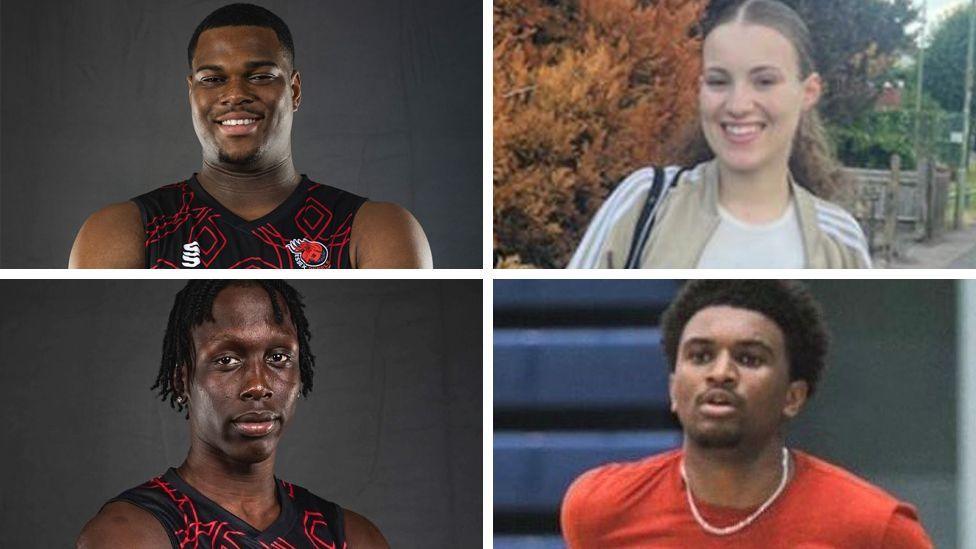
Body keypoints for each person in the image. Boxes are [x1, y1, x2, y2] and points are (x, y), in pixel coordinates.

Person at [561, 280, 933, 548]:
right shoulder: (601, 509)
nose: (720, 373)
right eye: (700, 355)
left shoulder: (875, 528)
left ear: (793, 396)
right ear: (674, 389)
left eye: (749, 358)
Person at [69, 3, 431, 269]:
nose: (235, 94)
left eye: (259, 76)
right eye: (213, 79)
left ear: (295, 91)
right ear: (191, 93)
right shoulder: (123, 229)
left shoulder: (371, 229)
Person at [76, 280, 390, 548]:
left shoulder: (351, 537)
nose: (257, 385)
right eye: (227, 360)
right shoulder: (131, 533)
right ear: (181, 380)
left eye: (278, 357)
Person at [569, 0, 870, 268]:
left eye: (764, 81)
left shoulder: (840, 240)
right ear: (701, 89)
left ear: (808, 92)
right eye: (718, 81)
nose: (738, 105)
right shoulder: (644, 201)